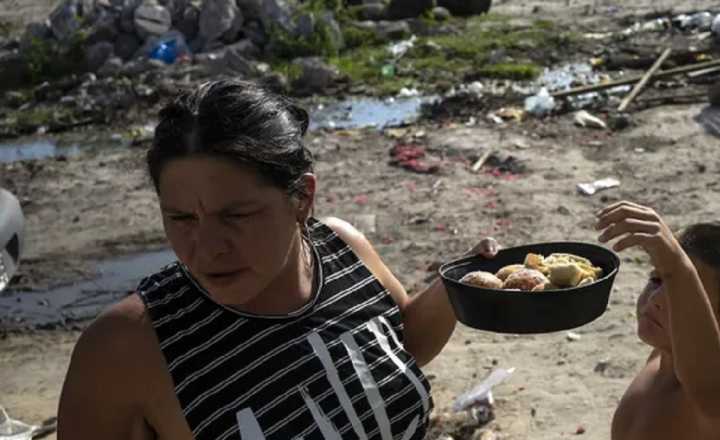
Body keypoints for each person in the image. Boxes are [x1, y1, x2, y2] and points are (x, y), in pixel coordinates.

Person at [57, 80, 498, 440]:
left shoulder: (340, 248)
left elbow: (401, 347)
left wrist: (454, 283)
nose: (207, 247)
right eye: (181, 217)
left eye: (237, 215)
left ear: (302, 198)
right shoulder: (126, 347)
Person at [595, 201, 720, 440]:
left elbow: (701, 368)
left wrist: (675, 264)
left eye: (682, 295)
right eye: (656, 280)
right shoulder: (659, 357)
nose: (655, 299)